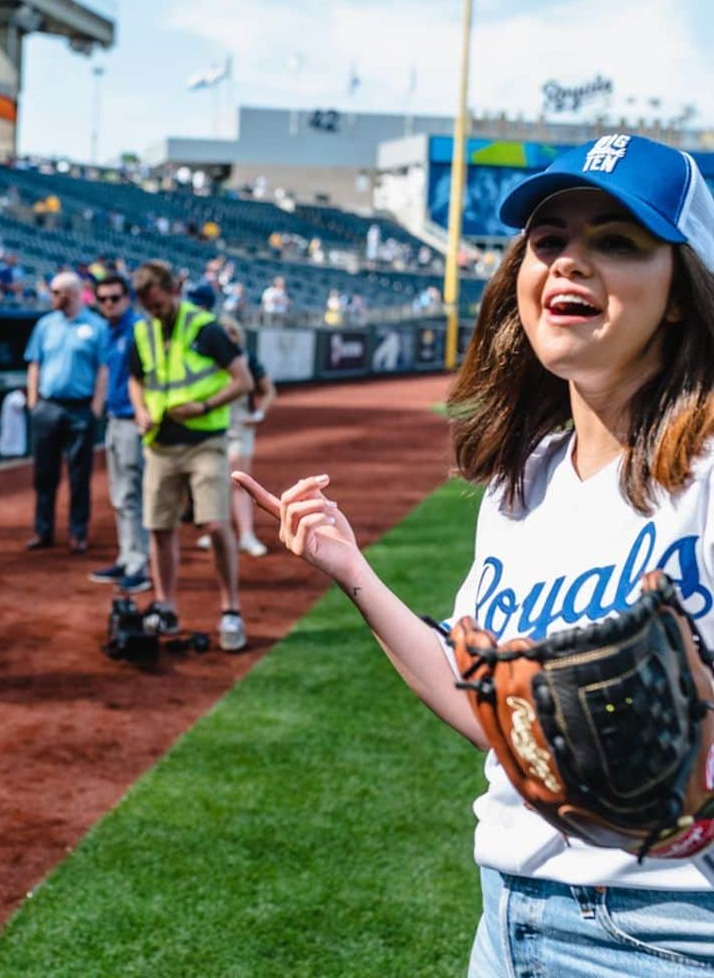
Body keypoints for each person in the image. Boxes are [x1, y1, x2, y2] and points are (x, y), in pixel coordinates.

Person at [235, 134, 714, 975]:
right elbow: (489, 713)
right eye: (549, 239)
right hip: (505, 918)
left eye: (615, 241)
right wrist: (355, 573)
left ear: (681, 292)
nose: (570, 262)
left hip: (668, 933)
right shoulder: (521, 482)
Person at [128, 260, 253, 651]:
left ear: (174, 292)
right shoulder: (142, 331)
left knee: (216, 525)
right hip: (160, 445)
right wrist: (141, 411)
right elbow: (136, 378)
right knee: (159, 528)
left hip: (205, 443)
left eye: (160, 305)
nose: (155, 313)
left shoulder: (205, 328)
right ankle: (165, 605)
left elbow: (243, 381)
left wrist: (203, 406)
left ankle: (230, 609)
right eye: (149, 307)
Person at [23, 271, 106, 553]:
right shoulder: (45, 325)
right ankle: (43, 530)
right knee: (44, 474)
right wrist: (34, 401)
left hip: (80, 409)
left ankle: (77, 533)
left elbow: (103, 369)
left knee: (79, 475)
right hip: (48, 406)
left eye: (57, 292)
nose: (52, 297)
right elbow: (34, 363)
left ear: (71, 294)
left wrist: (95, 407)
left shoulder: (96, 326)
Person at [90, 273, 151, 594]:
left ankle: (139, 564)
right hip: (116, 420)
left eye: (114, 297)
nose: (109, 304)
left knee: (133, 495)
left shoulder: (138, 329)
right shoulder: (109, 331)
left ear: (127, 298)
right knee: (120, 495)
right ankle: (127, 557)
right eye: (102, 299)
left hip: (132, 421)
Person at [198, 317, 276, 558]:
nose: (228, 336)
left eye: (232, 332)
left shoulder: (247, 359)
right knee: (213, 480)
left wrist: (260, 414)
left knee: (238, 482)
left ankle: (246, 534)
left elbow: (268, 390)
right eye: (224, 332)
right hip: (213, 427)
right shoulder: (206, 360)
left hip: (239, 426)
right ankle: (216, 532)